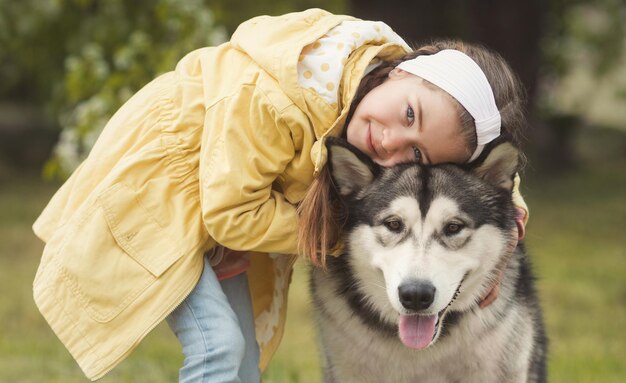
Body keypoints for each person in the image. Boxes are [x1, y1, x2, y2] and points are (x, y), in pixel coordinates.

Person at [32, 8, 529, 383]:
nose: (391, 142)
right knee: (219, 348)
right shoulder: (277, 100)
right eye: (409, 115)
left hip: (214, 212)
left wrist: (511, 222)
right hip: (155, 198)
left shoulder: (374, 89)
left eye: (416, 156)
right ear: (404, 70)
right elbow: (230, 213)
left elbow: (480, 179)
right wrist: (345, 235)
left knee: (244, 359)